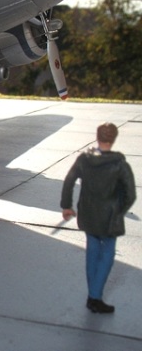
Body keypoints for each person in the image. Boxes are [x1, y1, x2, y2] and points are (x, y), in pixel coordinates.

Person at [61, 122, 136, 313]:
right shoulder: (119, 165)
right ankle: (95, 297)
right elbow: (130, 194)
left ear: (98, 136)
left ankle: (92, 295)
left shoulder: (84, 160)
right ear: (113, 139)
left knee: (92, 253)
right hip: (109, 217)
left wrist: (67, 205)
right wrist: (118, 210)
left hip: (88, 213)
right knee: (108, 256)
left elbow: (69, 180)